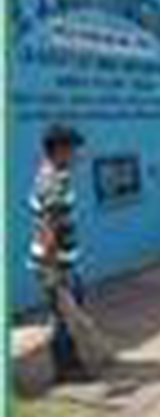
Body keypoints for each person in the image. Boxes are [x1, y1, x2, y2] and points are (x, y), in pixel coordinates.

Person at [28, 123, 87, 378]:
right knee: (63, 315)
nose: (75, 154)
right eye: (72, 149)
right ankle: (66, 369)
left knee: (67, 311)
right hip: (55, 262)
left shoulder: (49, 173)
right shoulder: (54, 181)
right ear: (59, 150)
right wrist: (53, 270)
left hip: (60, 260)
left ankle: (70, 361)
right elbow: (49, 226)